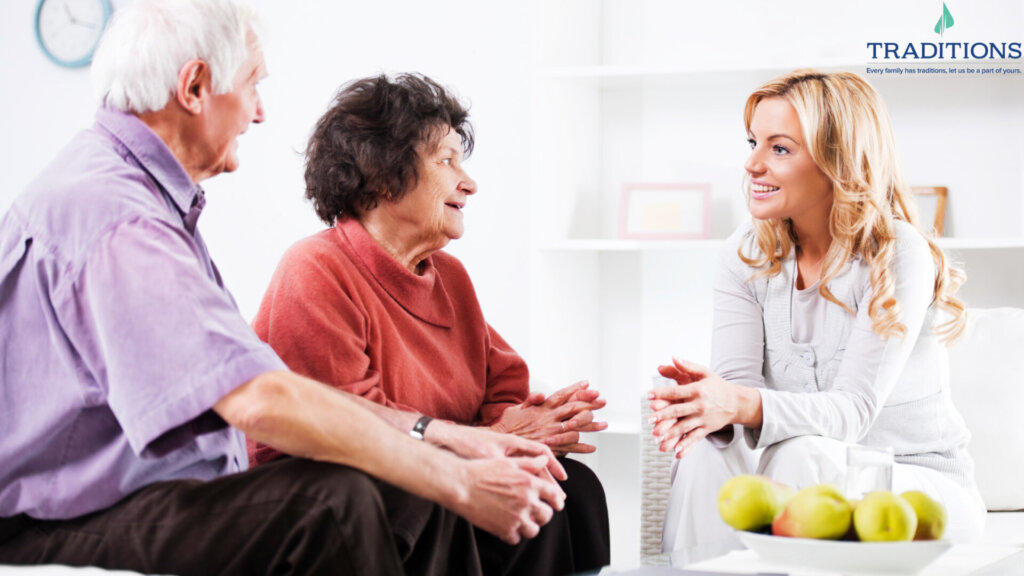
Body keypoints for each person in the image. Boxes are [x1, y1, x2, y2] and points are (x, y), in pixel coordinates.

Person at [0, 2, 570, 574]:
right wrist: (456, 476)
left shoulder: (131, 196)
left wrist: (457, 443)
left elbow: (267, 384)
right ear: (195, 87)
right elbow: (258, 400)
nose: (260, 112)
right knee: (339, 505)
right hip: (56, 524)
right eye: (252, 85)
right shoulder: (119, 219)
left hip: (128, 502)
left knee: (415, 491)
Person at [250, 73, 611, 574]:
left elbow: (501, 382)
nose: (469, 182)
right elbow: (347, 422)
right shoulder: (316, 268)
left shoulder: (449, 276)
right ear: (381, 174)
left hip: (432, 470)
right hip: (331, 491)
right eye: (446, 161)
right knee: (434, 505)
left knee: (566, 487)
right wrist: (482, 441)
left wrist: (513, 432)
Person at [648, 69, 986, 566]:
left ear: (838, 161)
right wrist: (706, 408)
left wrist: (737, 402)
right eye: (753, 142)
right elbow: (741, 403)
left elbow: (851, 413)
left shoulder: (896, 253)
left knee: (801, 454)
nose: (752, 164)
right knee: (706, 452)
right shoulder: (743, 253)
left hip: (914, 486)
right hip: (803, 476)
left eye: (779, 148)